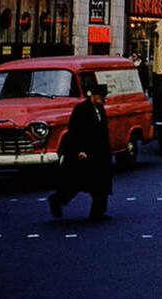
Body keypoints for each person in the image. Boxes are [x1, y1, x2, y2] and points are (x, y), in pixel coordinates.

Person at [49, 83, 113, 221]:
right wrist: (79, 150)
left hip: (98, 153)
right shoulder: (81, 110)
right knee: (74, 183)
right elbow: (74, 131)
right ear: (94, 96)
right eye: (102, 97)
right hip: (83, 153)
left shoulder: (100, 109)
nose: (104, 100)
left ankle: (98, 212)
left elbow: (103, 131)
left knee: (100, 183)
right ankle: (57, 200)